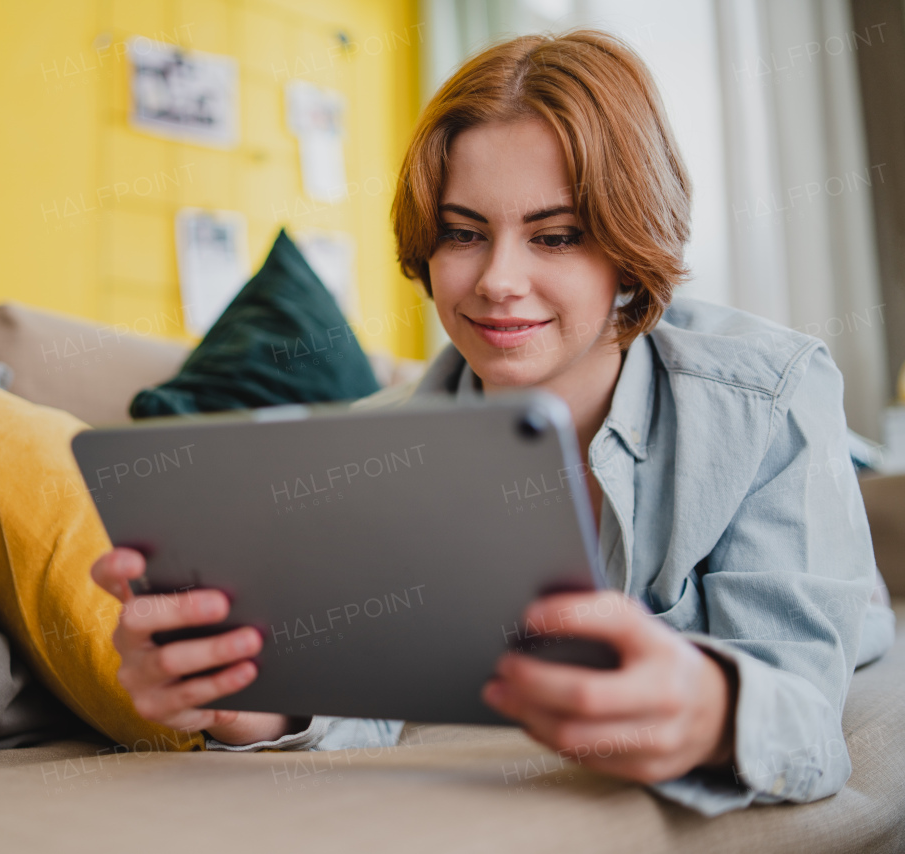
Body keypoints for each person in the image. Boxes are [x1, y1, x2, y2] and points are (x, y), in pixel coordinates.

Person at [90, 29, 895, 816]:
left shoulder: (770, 393)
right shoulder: (378, 451)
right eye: (464, 233)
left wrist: (707, 708)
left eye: (556, 235)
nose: (498, 281)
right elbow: (368, 696)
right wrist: (242, 702)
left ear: (625, 249)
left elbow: (803, 722)